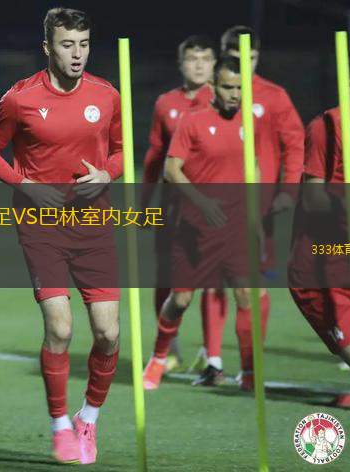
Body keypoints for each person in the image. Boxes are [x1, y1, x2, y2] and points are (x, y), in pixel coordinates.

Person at [0, 7, 121, 465]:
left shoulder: (107, 94)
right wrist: (26, 185)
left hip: (95, 225)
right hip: (41, 227)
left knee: (109, 333)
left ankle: (88, 418)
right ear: (47, 48)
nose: (77, 54)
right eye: (67, 45)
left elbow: (121, 151)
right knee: (60, 327)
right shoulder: (20, 98)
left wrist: (108, 174)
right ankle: (59, 424)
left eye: (84, 44)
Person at [142, 55, 265, 392]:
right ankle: (158, 357)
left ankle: (249, 371)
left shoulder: (249, 121)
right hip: (194, 228)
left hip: (235, 227)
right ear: (213, 86)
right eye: (228, 87)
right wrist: (202, 202)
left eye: (240, 88)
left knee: (246, 295)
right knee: (181, 299)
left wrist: (255, 216)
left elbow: (253, 166)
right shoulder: (192, 122)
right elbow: (171, 170)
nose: (235, 94)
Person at [191, 26, 304, 382]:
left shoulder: (274, 96)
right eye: (235, 55)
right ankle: (213, 361)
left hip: (259, 207)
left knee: (251, 286)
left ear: (258, 56)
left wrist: (288, 190)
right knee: (213, 281)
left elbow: (294, 144)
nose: (243, 62)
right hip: (214, 206)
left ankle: (251, 365)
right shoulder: (209, 96)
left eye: (250, 56)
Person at [143, 35, 216, 371]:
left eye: (205, 59)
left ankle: (212, 353)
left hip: (216, 207)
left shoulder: (224, 99)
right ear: (180, 64)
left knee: (214, 282)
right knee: (168, 277)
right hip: (173, 207)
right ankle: (169, 347)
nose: (198, 65)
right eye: (191, 59)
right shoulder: (166, 103)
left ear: (214, 64)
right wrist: (146, 201)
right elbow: (155, 155)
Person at [287, 52, 350, 408]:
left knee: (336, 308)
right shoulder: (328, 126)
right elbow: (313, 198)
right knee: (318, 298)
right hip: (330, 242)